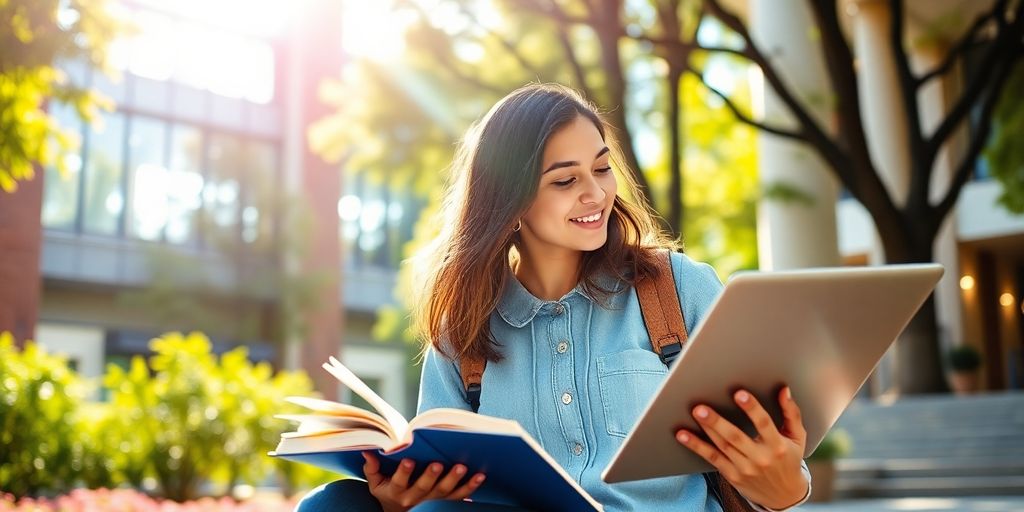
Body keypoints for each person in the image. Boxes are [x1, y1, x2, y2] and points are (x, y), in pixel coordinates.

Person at [296, 83, 812, 512]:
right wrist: (403, 497)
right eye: (566, 179)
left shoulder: (677, 290)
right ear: (509, 200)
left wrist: (790, 489)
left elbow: (771, 467)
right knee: (331, 506)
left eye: (602, 168)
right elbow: (442, 475)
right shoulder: (465, 330)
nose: (596, 193)